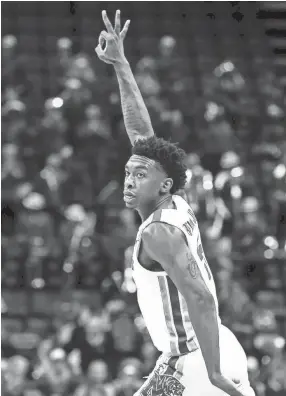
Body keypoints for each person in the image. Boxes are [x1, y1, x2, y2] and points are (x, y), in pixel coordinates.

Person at [95, 10, 255, 396]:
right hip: (209, 342)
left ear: (163, 183)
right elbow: (140, 130)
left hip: (197, 360)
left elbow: (198, 294)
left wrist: (214, 375)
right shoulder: (174, 201)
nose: (130, 181)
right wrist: (121, 64)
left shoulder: (159, 232)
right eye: (128, 172)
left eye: (140, 175)